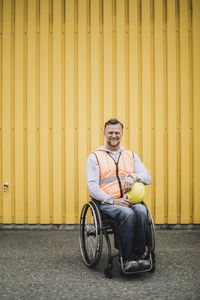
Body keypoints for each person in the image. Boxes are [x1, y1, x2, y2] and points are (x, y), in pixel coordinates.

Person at [86, 118, 152, 272]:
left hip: (130, 200)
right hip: (108, 203)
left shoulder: (130, 155)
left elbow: (147, 177)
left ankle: (139, 256)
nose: (113, 136)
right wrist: (113, 201)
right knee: (127, 213)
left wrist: (133, 176)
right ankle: (127, 258)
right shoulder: (95, 157)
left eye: (117, 132)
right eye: (110, 132)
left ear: (122, 134)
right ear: (104, 133)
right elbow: (93, 187)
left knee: (142, 211)